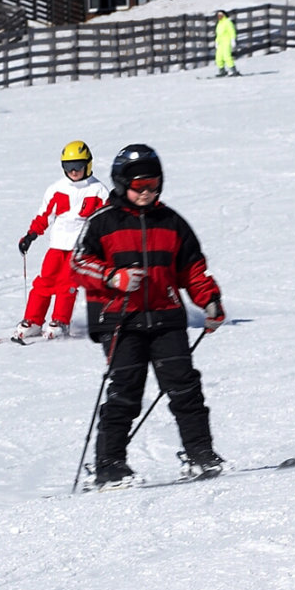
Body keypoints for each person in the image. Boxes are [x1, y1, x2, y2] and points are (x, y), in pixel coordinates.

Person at [73, 145, 227, 487]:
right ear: (122, 183)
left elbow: (193, 269)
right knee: (125, 394)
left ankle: (201, 455)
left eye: (153, 184)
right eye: (139, 185)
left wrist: (210, 301)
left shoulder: (171, 222)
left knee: (186, 389)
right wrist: (114, 276)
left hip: (167, 318)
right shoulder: (102, 222)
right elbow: (79, 263)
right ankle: (109, 466)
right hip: (121, 322)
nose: (147, 191)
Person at [15, 141, 110, 342]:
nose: (73, 171)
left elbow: (107, 222)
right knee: (44, 282)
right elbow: (44, 216)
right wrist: (30, 236)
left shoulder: (98, 191)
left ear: (88, 164)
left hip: (80, 249)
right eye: (68, 167)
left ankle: (60, 321)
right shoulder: (57, 189)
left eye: (78, 166)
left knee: (67, 284)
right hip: (57, 246)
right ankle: (33, 320)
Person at [214, 9, 240, 77]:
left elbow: (232, 31)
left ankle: (233, 70)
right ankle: (222, 71)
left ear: (224, 15)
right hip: (221, 43)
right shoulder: (219, 24)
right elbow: (218, 34)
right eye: (218, 15)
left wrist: (233, 40)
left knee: (227, 56)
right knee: (218, 58)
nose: (219, 16)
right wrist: (216, 42)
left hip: (227, 42)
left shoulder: (228, 22)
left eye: (220, 15)